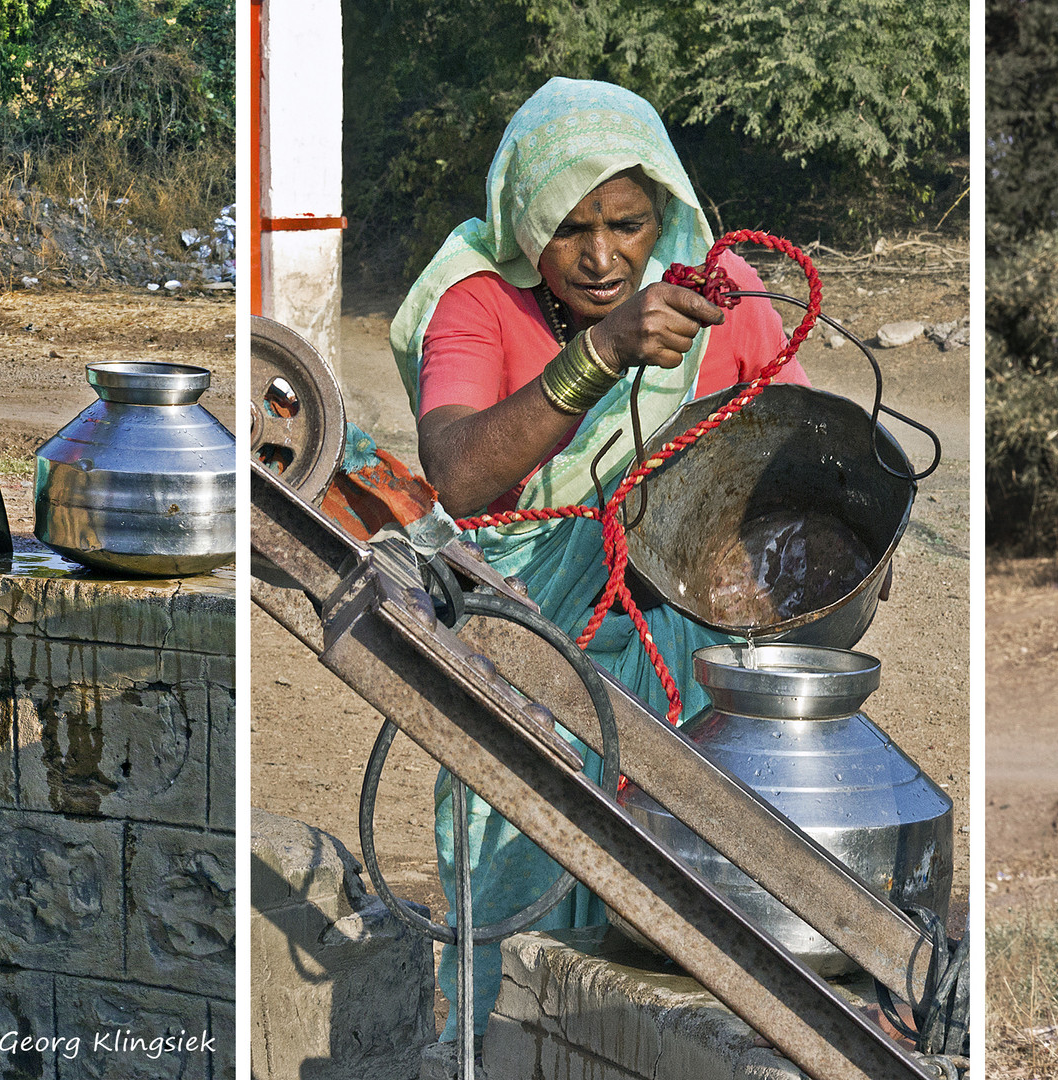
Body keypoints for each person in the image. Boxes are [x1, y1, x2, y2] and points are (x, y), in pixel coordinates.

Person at [389, 76, 810, 1041]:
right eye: (569, 226)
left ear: (660, 210)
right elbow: (456, 474)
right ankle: (488, 1050)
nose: (602, 255)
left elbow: (793, 461)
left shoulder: (719, 299)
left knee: (686, 893)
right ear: (522, 222)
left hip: (685, 653)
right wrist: (600, 355)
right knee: (507, 865)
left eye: (626, 223)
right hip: (531, 644)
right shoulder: (478, 302)